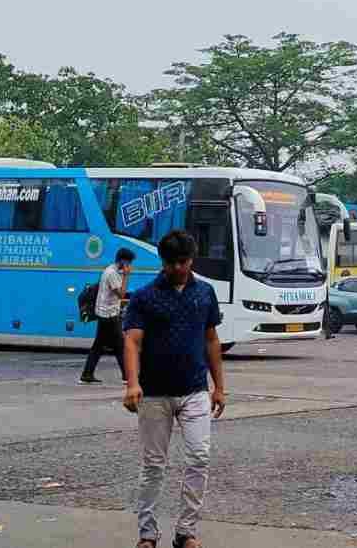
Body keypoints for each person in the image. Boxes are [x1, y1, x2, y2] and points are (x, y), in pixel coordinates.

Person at [122, 231, 225, 548]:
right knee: (154, 465)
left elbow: (211, 340)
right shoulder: (144, 297)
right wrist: (133, 383)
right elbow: (132, 341)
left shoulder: (205, 293)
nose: (179, 268)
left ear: (192, 259)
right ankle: (147, 534)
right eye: (172, 263)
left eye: (184, 261)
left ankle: (186, 532)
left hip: (195, 390)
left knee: (199, 457)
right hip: (154, 393)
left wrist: (219, 387)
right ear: (163, 262)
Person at [81, 247, 135, 384]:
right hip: (108, 314)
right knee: (119, 345)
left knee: (101, 345)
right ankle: (127, 376)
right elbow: (121, 294)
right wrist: (127, 276)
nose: (130, 266)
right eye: (129, 262)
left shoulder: (113, 271)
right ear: (122, 261)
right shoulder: (112, 273)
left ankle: (87, 374)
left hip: (107, 312)